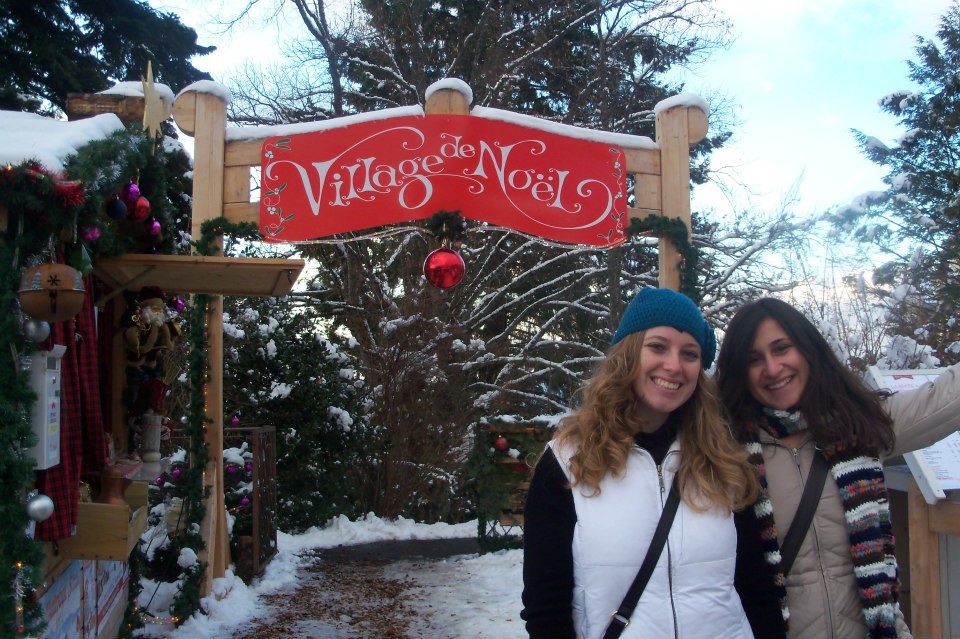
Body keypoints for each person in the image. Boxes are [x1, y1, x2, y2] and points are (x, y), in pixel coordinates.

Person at [521, 287, 770, 639]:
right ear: (628, 353)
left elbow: (754, 586)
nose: (674, 365)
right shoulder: (568, 461)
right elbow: (546, 606)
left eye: (690, 353)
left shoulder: (721, 458)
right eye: (658, 346)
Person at [716, 297, 960, 639]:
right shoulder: (725, 452)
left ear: (807, 349)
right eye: (754, 359)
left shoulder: (860, 427)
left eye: (781, 348)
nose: (772, 368)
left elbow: (945, 398)